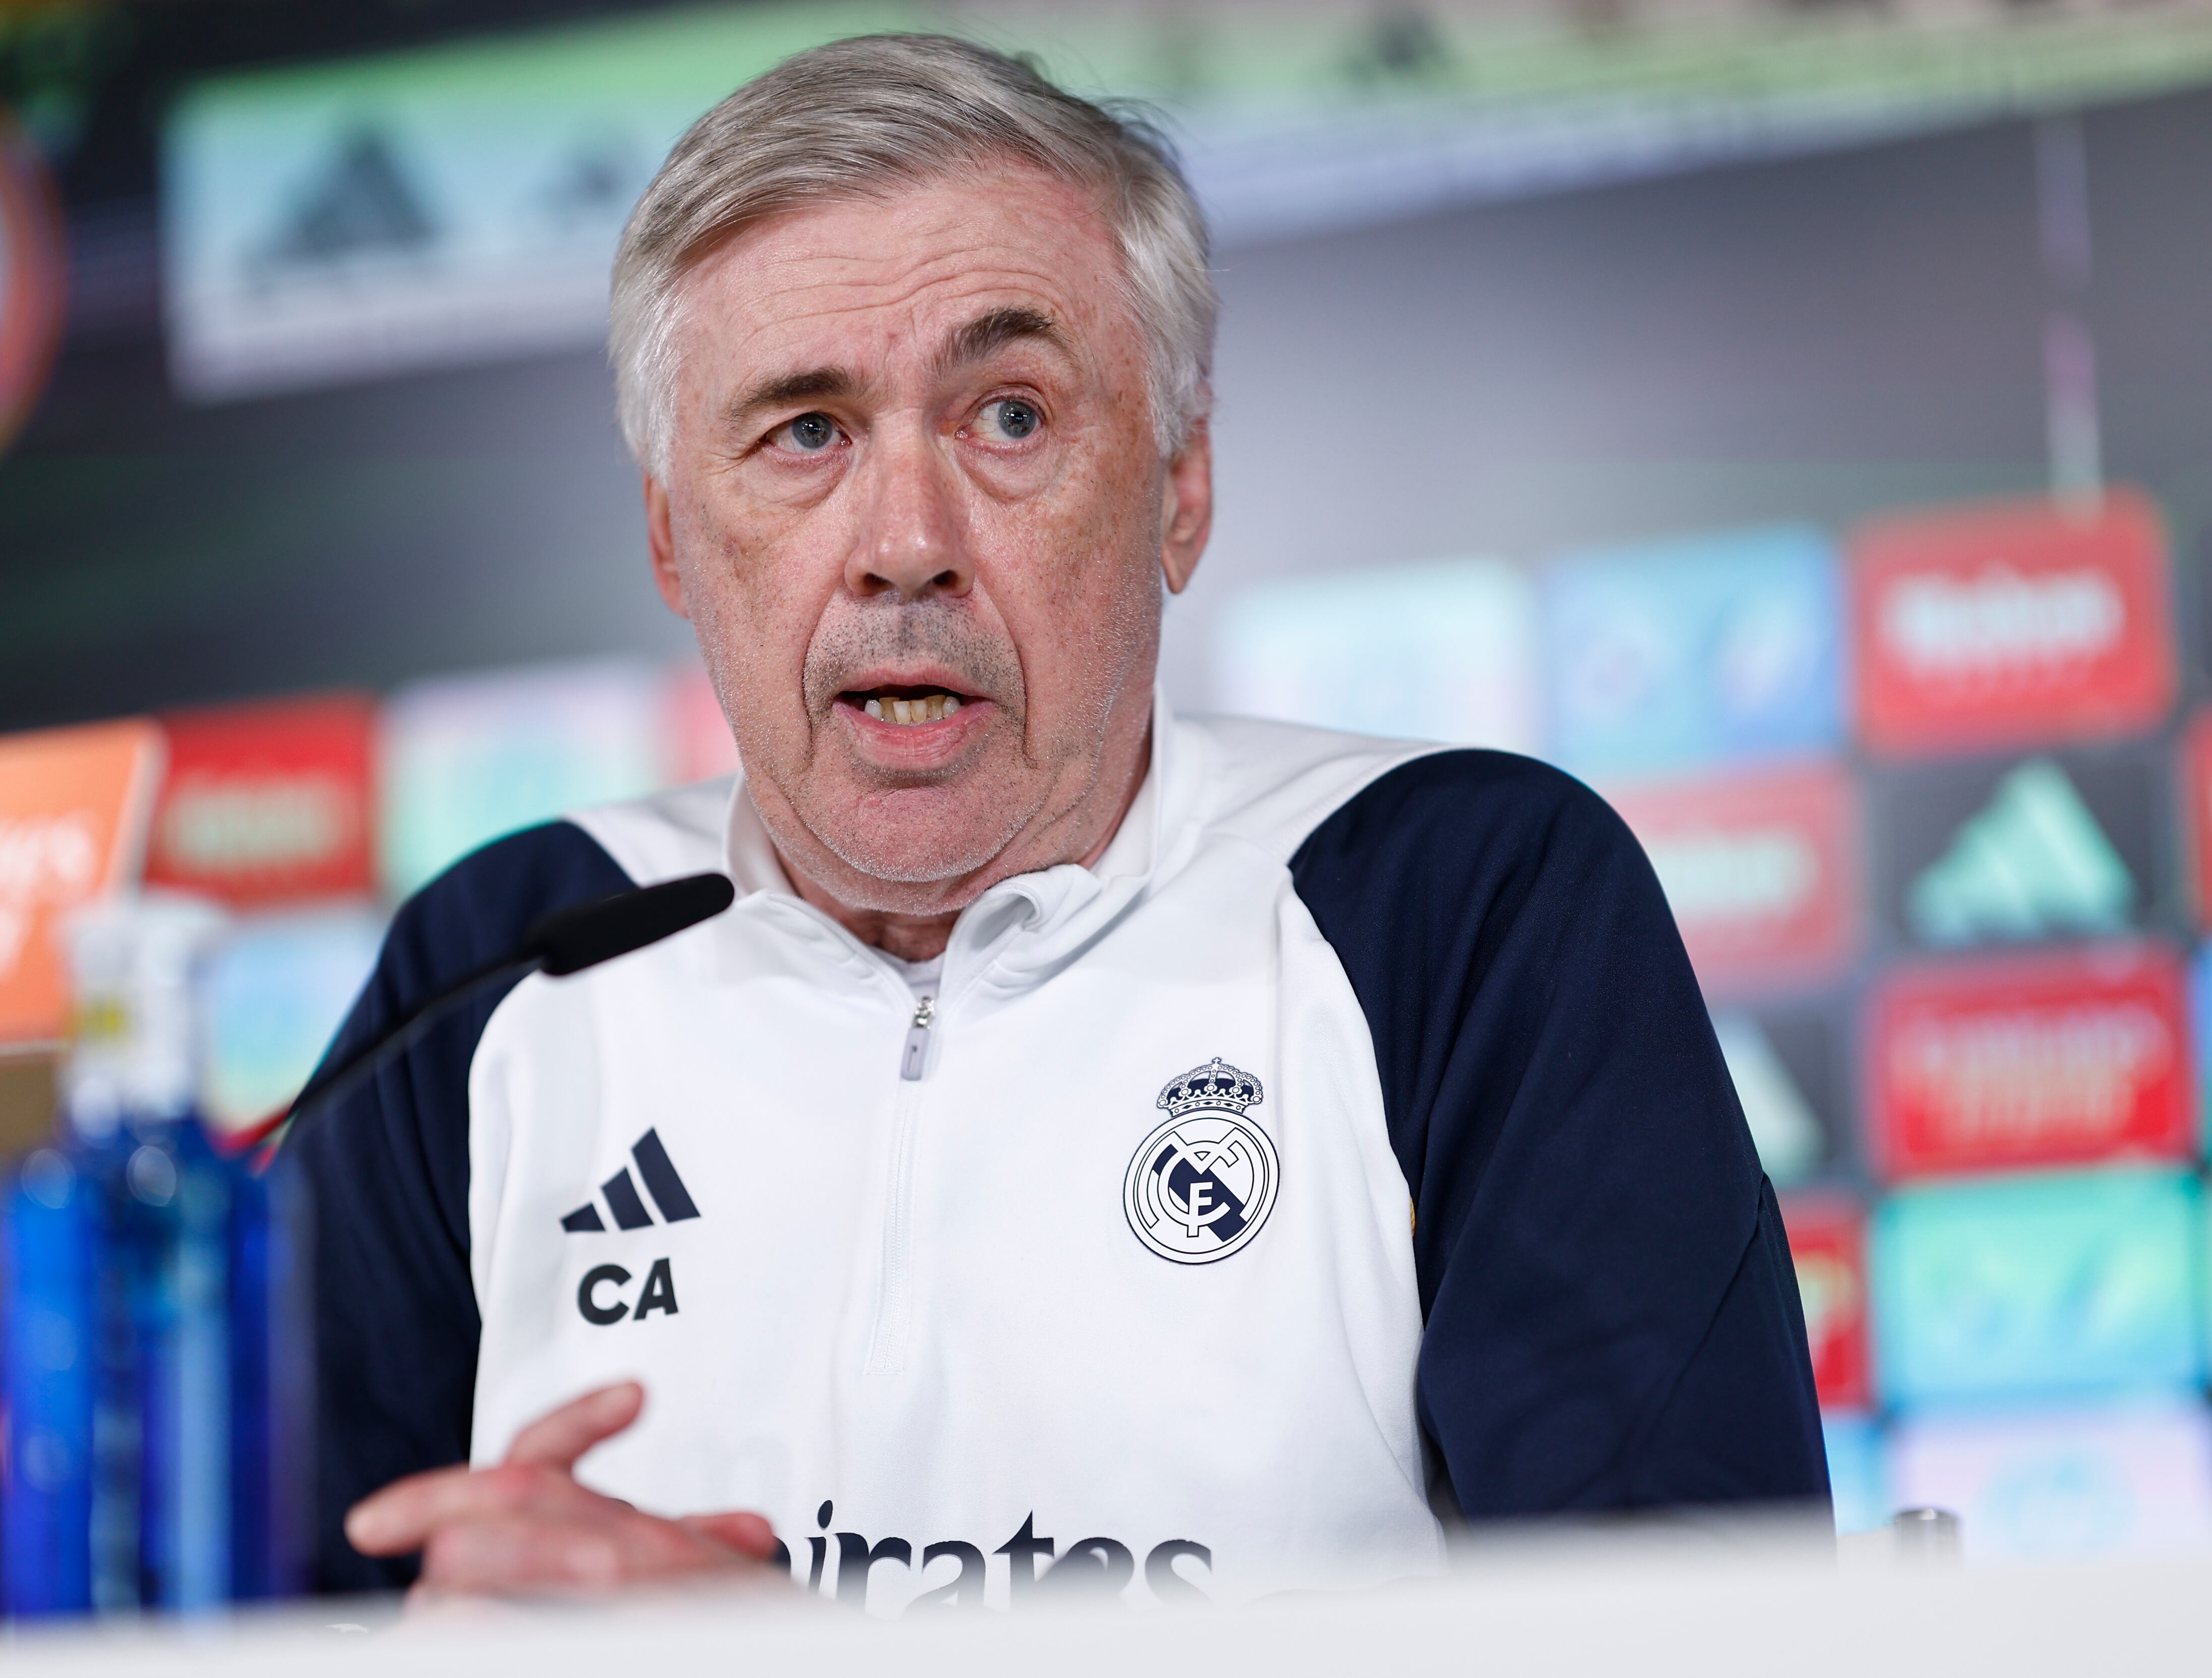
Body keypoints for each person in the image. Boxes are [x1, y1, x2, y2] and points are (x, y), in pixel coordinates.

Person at [284, 33, 1828, 1610]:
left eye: (1008, 416)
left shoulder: (1461, 903)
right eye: (806, 433)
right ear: (678, 542)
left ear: (1179, 484)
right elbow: (220, 1619)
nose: (905, 543)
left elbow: (1708, 1637)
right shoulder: (495, 971)